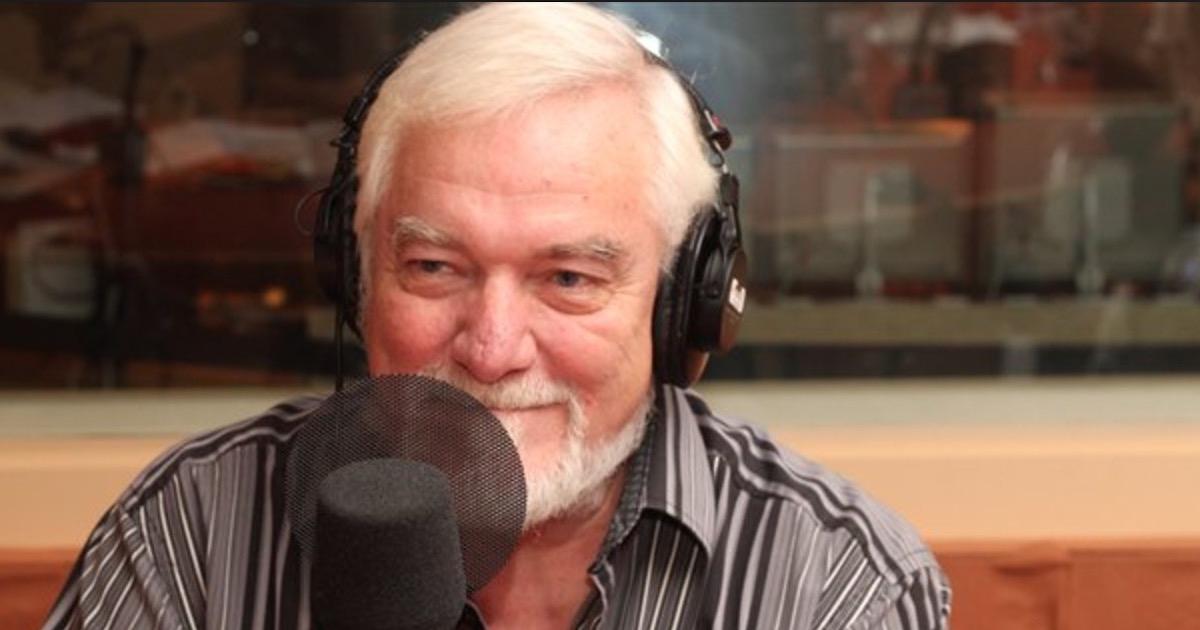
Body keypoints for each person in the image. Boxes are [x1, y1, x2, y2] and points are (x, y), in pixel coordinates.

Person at [44, 3, 950, 629]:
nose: (491, 349)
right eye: (435, 267)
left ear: (685, 305)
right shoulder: (193, 530)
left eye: (568, 278)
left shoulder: (837, 583)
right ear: (355, 277)